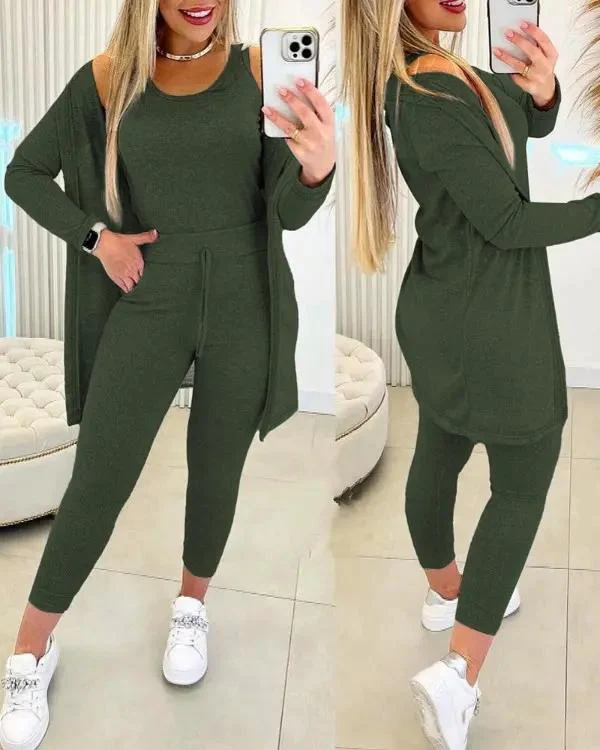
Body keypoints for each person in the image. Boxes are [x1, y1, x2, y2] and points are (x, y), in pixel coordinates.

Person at [0, 2, 335, 748]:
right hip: (149, 296)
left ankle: (191, 606)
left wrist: (318, 166)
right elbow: (24, 173)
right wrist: (97, 238)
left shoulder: (259, 71)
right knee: (99, 480)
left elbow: (287, 208)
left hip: (247, 301)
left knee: (215, 468)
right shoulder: (107, 79)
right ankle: (30, 650)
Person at [340, 0, 600, 748]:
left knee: (441, 447)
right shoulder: (432, 94)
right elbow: (509, 222)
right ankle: (458, 676)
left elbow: (517, 125)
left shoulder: (433, 75)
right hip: (491, 323)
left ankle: (445, 591)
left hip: (444, 310)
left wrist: (543, 94)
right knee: (523, 478)